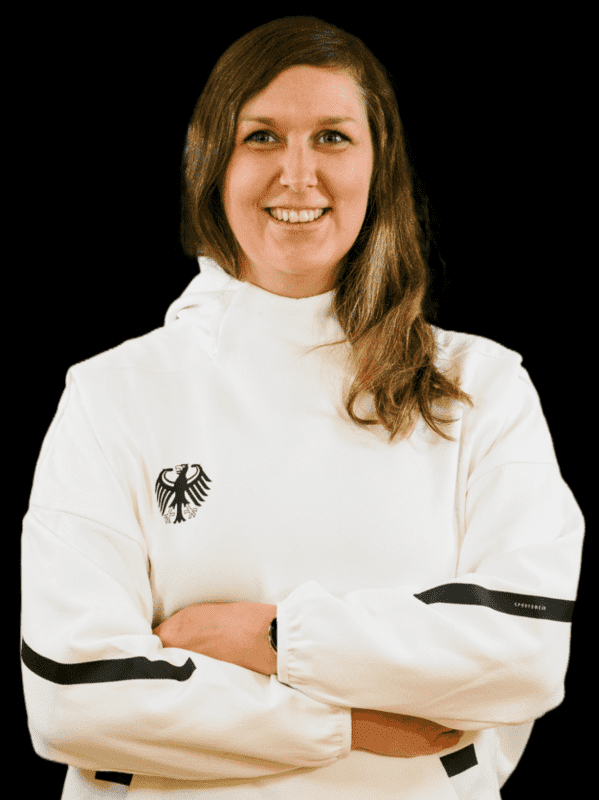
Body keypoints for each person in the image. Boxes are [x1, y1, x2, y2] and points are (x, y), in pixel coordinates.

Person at [20, 15, 584, 800]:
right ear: (209, 163)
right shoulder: (114, 395)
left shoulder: (477, 386)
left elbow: (523, 651)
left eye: (331, 138)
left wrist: (269, 637)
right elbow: (72, 695)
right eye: (260, 137)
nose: (296, 175)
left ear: (378, 165)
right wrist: (347, 728)